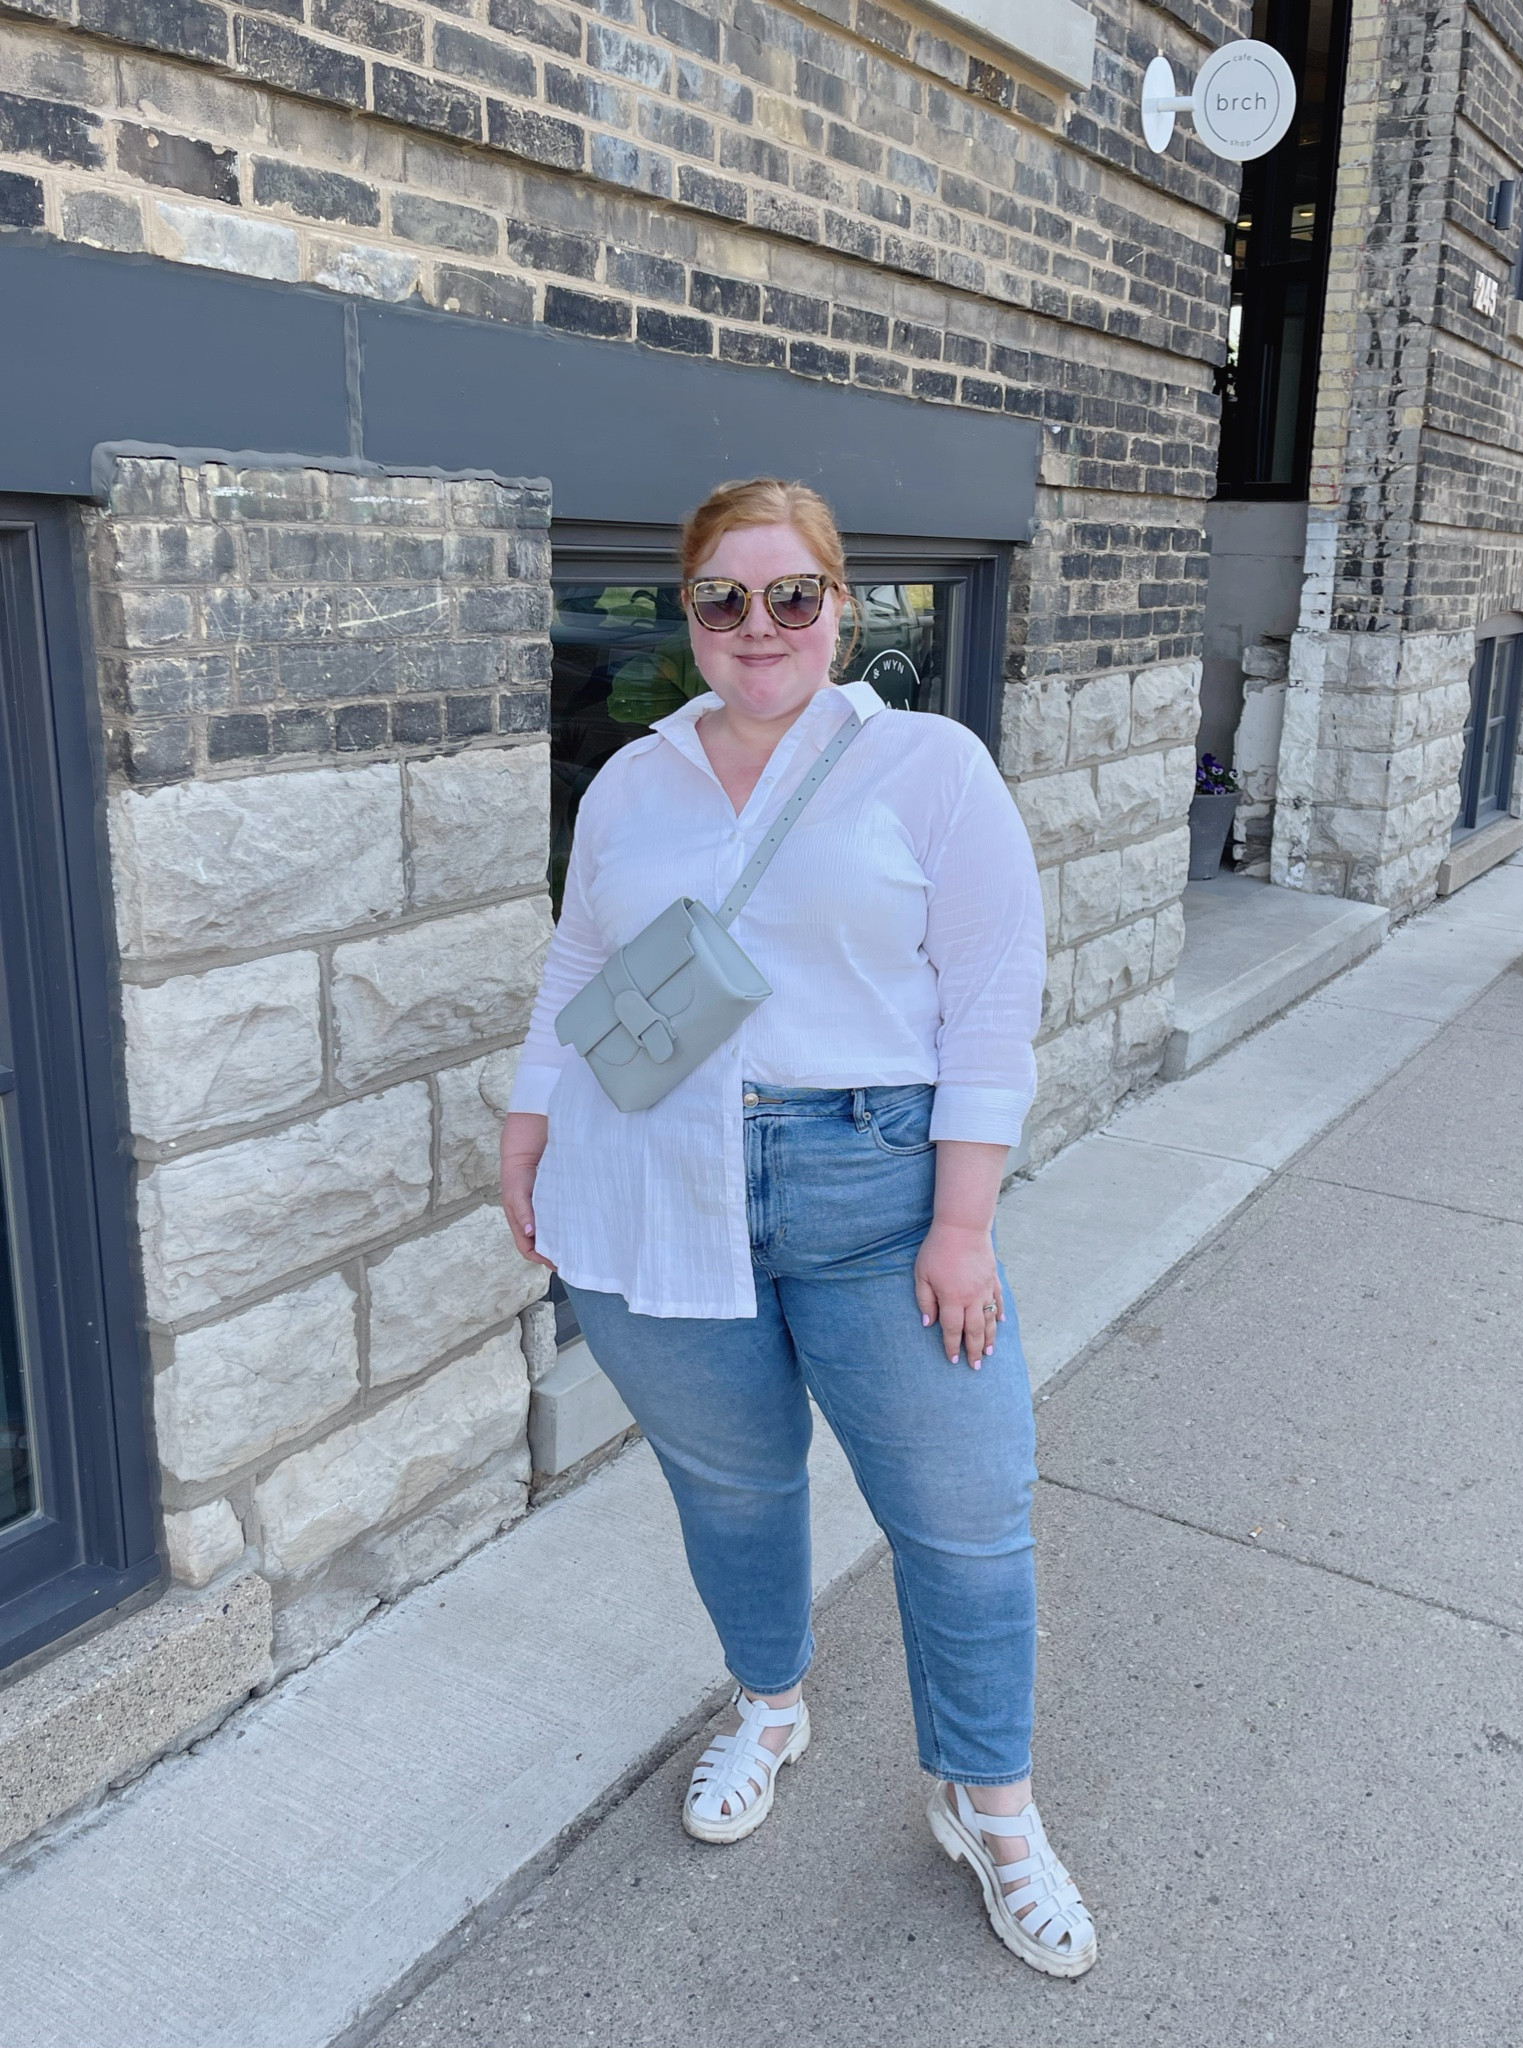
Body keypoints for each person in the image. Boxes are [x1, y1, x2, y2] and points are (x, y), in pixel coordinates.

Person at [501, 478, 1095, 1976]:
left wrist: (964, 1222)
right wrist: (528, 1122)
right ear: (684, 611)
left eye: (791, 596)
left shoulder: (926, 767)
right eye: (722, 597)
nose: (756, 626)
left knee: (967, 1517)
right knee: (735, 1489)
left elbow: (990, 998)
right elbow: (580, 963)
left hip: (875, 1187)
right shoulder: (632, 781)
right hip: (654, 1185)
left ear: (843, 603)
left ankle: (990, 1801)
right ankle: (769, 1702)